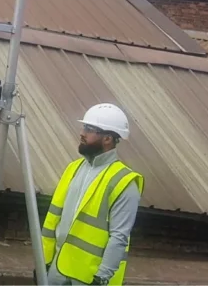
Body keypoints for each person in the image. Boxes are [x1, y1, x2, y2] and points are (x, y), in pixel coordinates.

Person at [40, 104, 144, 286]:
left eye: (89, 129)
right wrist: (43, 263)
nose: (82, 133)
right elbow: (53, 221)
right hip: (56, 271)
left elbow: (119, 237)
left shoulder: (125, 182)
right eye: (84, 127)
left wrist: (101, 278)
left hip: (89, 278)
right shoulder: (73, 169)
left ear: (108, 139)